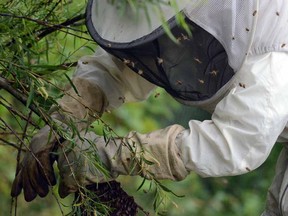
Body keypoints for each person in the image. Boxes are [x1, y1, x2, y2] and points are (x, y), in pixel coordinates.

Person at [11, 0, 288, 215]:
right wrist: (65, 116)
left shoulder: (273, 51)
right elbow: (131, 58)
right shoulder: (204, 13)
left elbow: (234, 142)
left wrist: (112, 156)